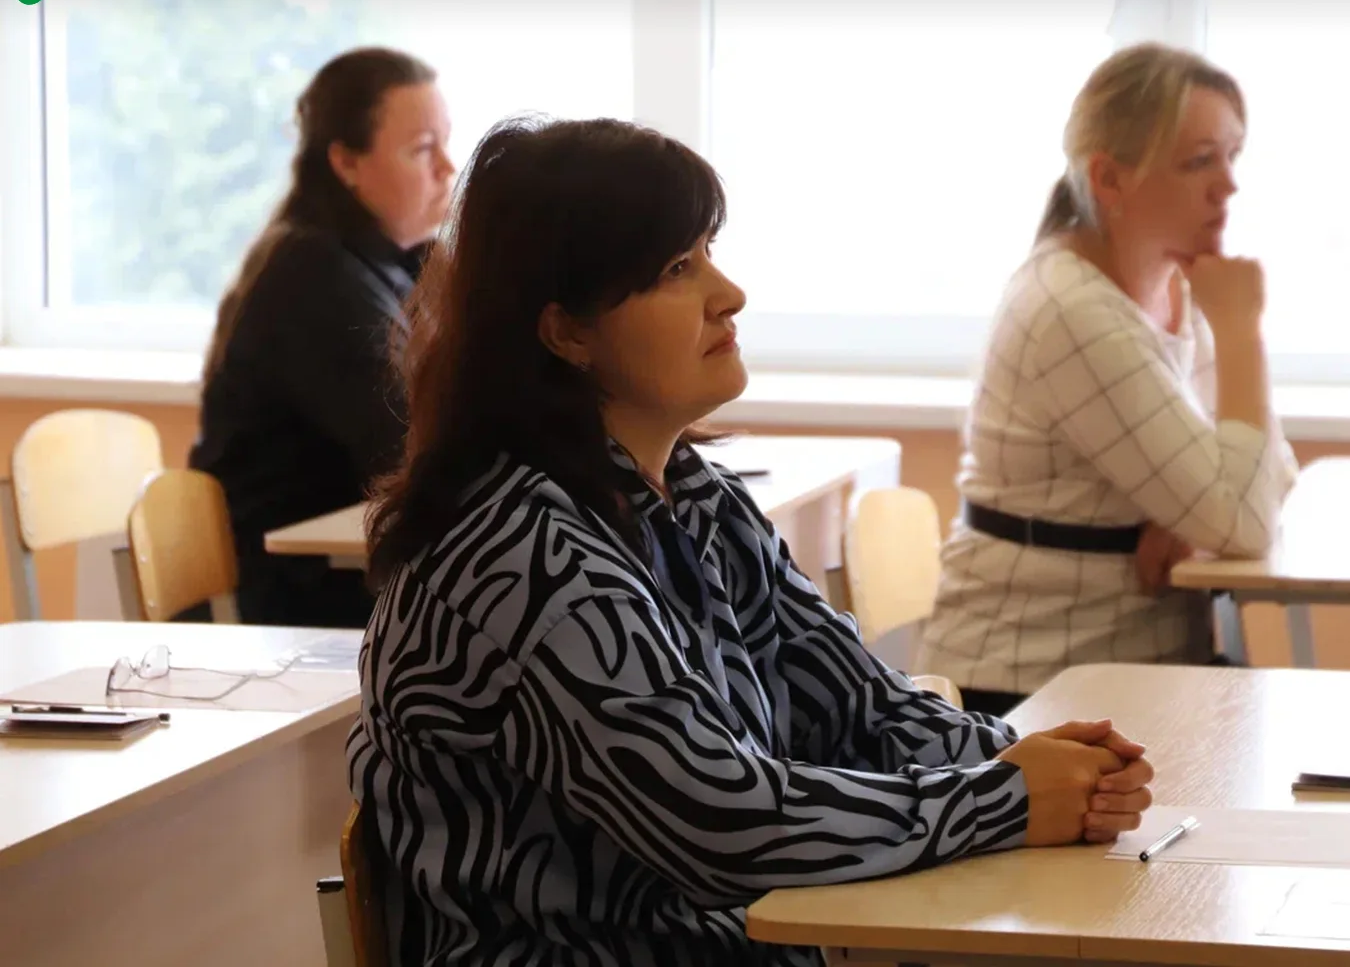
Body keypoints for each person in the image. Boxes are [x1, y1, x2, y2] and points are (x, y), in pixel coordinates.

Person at [346, 116, 1155, 967]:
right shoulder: (517, 556)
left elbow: (859, 709)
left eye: (709, 252)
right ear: (567, 332)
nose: (727, 293)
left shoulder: (697, 498)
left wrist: (1050, 767)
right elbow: (720, 820)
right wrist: (1005, 800)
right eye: (676, 269)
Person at [916, 42, 1299, 718]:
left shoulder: (1176, 285)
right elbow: (1246, 516)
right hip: (1033, 691)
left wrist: (1191, 523)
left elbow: (1269, 477)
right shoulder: (1072, 310)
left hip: (1132, 673)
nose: (1228, 186)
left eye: (1232, 156)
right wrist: (1243, 331)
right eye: (1199, 161)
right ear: (1110, 180)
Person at [189, 47, 456, 628]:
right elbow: (410, 447)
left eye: (445, 143)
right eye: (421, 149)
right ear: (346, 162)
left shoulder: (398, 261)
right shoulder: (315, 274)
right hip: (285, 594)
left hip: (338, 573)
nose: (447, 168)